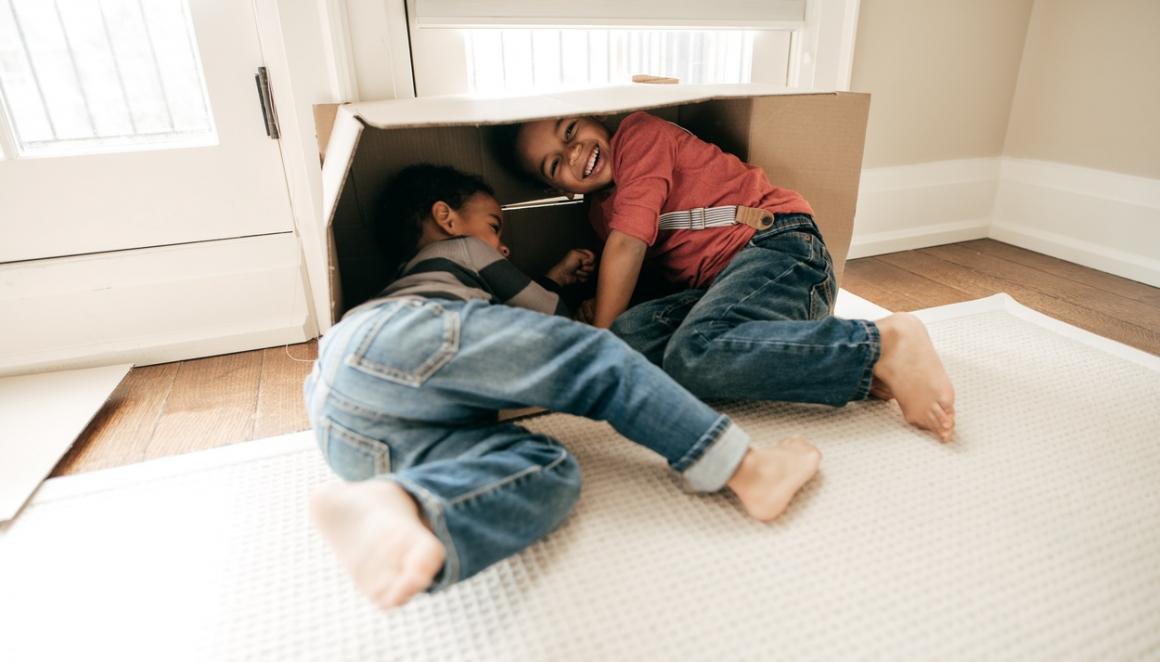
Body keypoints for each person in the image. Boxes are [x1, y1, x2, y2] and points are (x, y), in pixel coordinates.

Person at [305, 164, 822, 611]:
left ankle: (407, 509)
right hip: (390, 339)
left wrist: (550, 278)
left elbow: (503, 341)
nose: (503, 243)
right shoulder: (461, 250)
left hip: (344, 424)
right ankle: (747, 468)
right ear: (446, 219)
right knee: (594, 353)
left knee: (546, 469)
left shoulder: (416, 279)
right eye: (495, 226)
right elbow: (550, 325)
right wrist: (566, 293)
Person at [513, 112, 956, 441]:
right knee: (632, 337)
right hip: (735, 297)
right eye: (554, 164)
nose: (572, 152)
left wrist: (600, 335)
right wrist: (601, 309)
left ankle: (883, 342)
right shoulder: (599, 213)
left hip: (780, 251)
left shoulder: (638, 136)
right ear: (559, 190)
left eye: (570, 130)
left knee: (690, 352)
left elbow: (629, 245)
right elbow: (645, 276)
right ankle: (836, 357)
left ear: (594, 117)